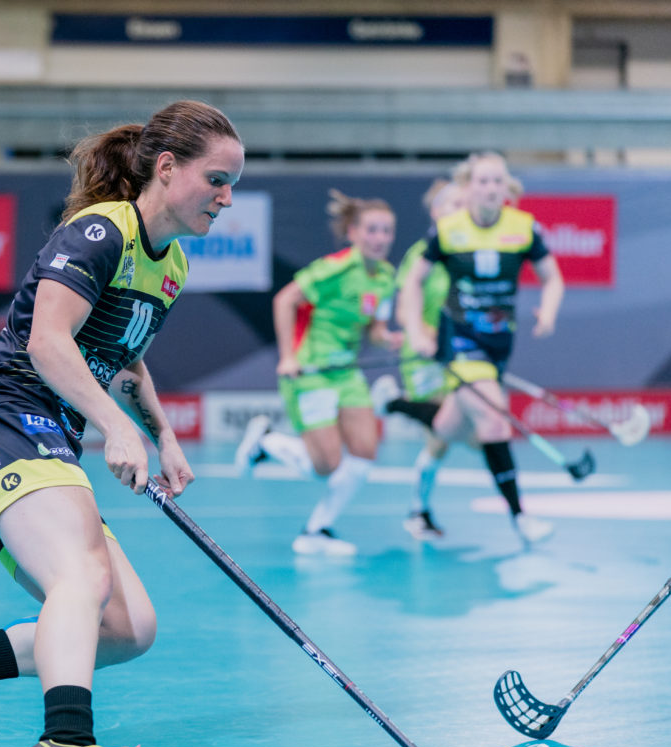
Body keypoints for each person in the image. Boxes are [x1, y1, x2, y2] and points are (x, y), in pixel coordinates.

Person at [0, 101, 244, 747]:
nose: (227, 197)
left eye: (233, 183)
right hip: (0, 419)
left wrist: (164, 435)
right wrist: (114, 427)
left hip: (49, 432)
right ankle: (64, 741)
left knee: (128, 627)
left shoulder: (170, 263)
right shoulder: (98, 230)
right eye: (217, 178)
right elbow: (51, 342)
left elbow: (125, 357)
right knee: (80, 576)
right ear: (167, 169)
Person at [392, 151, 564, 546]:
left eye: (497, 181)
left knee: (445, 429)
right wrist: (417, 331)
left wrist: (548, 312)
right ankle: (521, 518)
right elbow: (413, 282)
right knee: (492, 422)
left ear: (506, 188)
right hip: (463, 345)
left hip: (500, 346)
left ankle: (394, 404)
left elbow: (552, 278)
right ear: (469, 188)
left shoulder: (523, 228)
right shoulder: (448, 231)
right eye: (482, 181)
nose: (490, 188)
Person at [234, 190, 401, 557]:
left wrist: (390, 339)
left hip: (347, 373)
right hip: (310, 371)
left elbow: (373, 329)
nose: (380, 238)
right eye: (372, 230)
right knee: (325, 466)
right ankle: (265, 443)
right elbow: (285, 300)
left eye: (386, 231)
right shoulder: (335, 268)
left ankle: (317, 530)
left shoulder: (387, 278)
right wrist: (288, 357)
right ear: (354, 232)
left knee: (365, 452)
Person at [371, 178, 465, 540]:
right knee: (444, 422)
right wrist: (427, 336)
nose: (462, 213)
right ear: (437, 212)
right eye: (454, 206)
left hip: (452, 356)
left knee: (441, 437)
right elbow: (406, 307)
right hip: (423, 354)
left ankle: (418, 511)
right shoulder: (422, 253)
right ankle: (393, 403)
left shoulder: (461, 253)